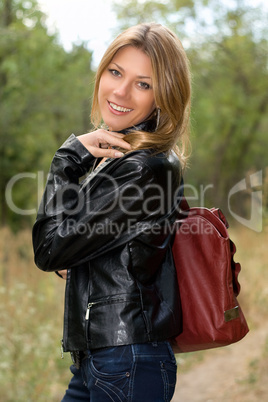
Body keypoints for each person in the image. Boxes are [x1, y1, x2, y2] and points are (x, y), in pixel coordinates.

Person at [32, 22, 191, 402]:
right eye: (115, 72)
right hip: (106, 360)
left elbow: (48, 249)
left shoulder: (142, 167)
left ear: (163, 96)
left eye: (143, 83)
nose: (120, 91)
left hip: (125, 361)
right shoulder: (130, 159)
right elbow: (73, 247)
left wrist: (68, 158)